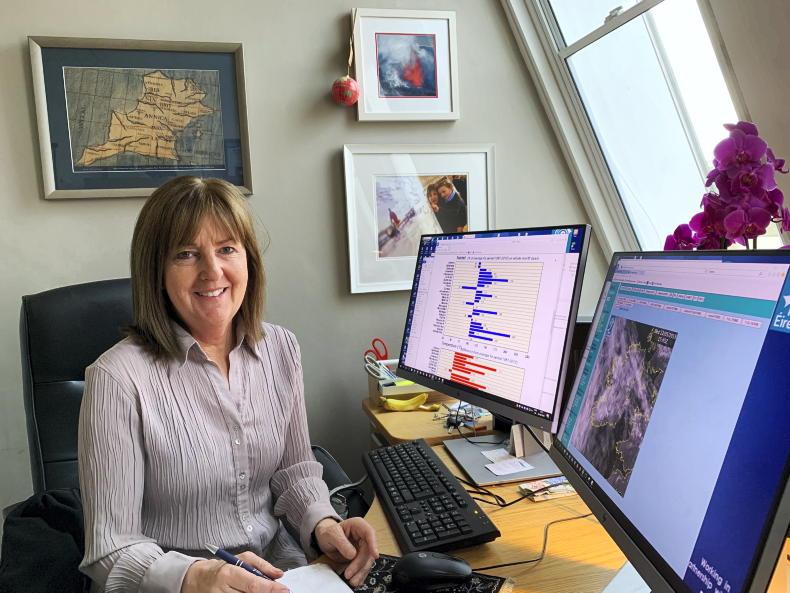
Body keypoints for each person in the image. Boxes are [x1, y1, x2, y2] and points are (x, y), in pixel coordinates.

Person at [78, 176, 378, 593]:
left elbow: (293, 470)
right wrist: (195, 575)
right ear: (156, 272)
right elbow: (111, 547)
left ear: (248, 259)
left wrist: (322, 523)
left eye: (226, 249)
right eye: (186, 254)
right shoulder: (116, 378)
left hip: (285, 575)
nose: (212, 271)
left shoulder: (281, 348)